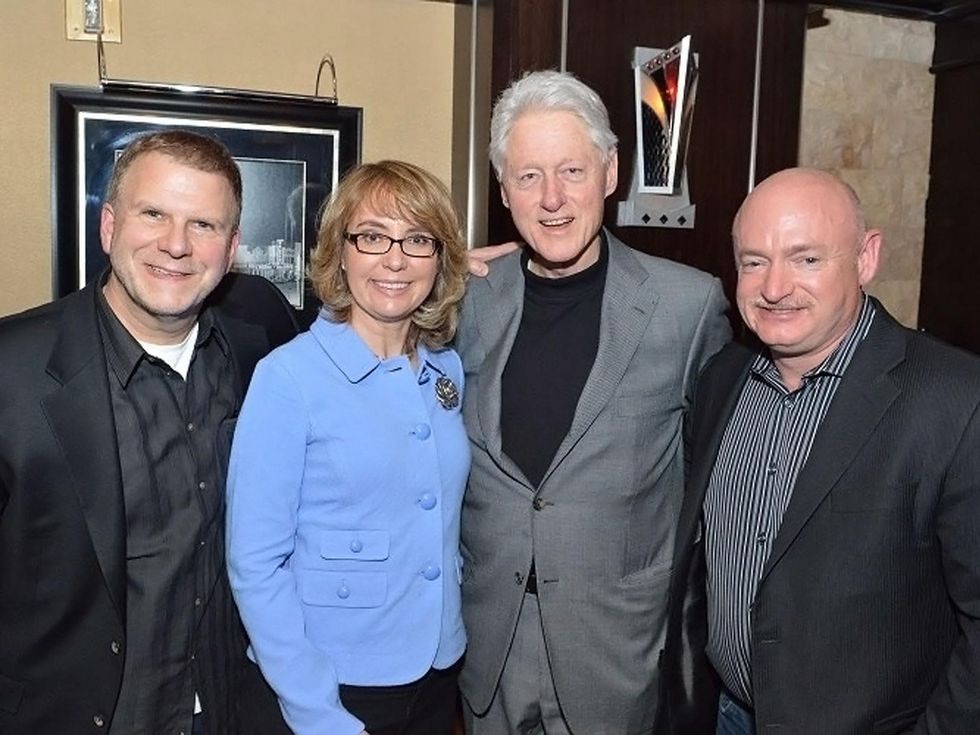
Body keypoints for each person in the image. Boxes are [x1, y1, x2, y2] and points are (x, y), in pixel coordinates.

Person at [456, 69, 732, 734]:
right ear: (503, 190)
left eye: (572, 170)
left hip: (616, 658)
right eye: (528, 177)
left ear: (609, 173)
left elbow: (715, 484)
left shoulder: (687, 306)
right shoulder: (462, 299)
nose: (552, 198)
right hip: (488, 650)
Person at [0, 130, 297, 734]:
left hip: (226, 710)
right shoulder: (13, 371)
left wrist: (460, 275)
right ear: (109, 226)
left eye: (205, 225)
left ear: (233, 245)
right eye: (154, 214)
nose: (176, 245)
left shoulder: (258, 340)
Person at [663, 167, 980, 734]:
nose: (775, 287)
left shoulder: (955, 401)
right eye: (754, 261)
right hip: (727, 716)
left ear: (866, 258)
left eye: (806, 259)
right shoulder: (721, 379)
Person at [226, 160, 472, 735]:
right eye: (372, 237)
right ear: (340, 252)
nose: (395, 259)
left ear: (439, 259)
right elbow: (255, 563)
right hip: (330, 686)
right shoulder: (288, 378)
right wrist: (315, 711)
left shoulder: (446, 370)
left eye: (417, 239)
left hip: (437, 674)